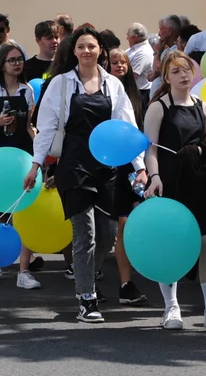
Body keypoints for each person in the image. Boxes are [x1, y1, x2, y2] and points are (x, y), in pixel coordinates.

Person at [26, 25, 146, 323]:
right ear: (74, 51)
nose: (86, 51)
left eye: (91, 46)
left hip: (106, 169)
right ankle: (87, 299)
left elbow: (126, 128)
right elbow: (47, 127)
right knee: (86, 234)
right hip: (74, 166)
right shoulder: (61, 84)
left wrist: (140, 166)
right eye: (81, 46)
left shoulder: (113, 86)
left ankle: (86, 272)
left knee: (107, 234)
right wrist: (36, 165)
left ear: (100, 51)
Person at [143, 51, 206, 332]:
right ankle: (171, 306)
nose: (183, 75)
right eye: (176, 71)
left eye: (187, 70)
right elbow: (151, 149)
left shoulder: (203, 107)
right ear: (166, 77)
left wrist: (199, 153)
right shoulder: (159, 107)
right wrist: (155, 176)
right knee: (171, 244)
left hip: (201, 183)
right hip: (171, 182)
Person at [0, 43, 42, 288]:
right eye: (12, 60)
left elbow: (29, 125)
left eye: (20, 60)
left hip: (21, 154)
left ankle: (24, 271)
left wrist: (40, 149)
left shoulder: (27, 91)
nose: (17, 64)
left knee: (23, 209)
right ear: (2, 64)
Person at [106, 47, 148, 306]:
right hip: (113, 166)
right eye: (114, 62)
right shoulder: (103, 93)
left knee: (136, 223)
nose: (120, 65)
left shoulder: (140, 95)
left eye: (124, 62)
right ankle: (124, 282)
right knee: (120, 225)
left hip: (137, 165)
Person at [124, 23, 153, 96]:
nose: (126, 38)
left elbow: (133, 75)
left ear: (134, 37)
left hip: (140, 93)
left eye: (128, 35)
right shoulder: (134, 49)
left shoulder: (143, 52)